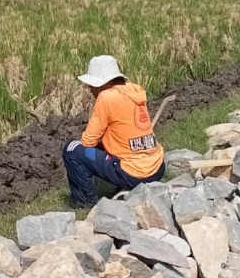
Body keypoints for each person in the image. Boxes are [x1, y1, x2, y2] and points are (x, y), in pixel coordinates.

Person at [63, 55, 166, 208]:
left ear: (104, 83)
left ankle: (84, 202)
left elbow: (88, 142)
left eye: (92, 85)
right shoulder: (135, 91)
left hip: (133, 174)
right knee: (106, 147)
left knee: (72, 149)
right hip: (157, 168)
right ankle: (124, 186)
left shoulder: (106, 97)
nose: (89, 89)